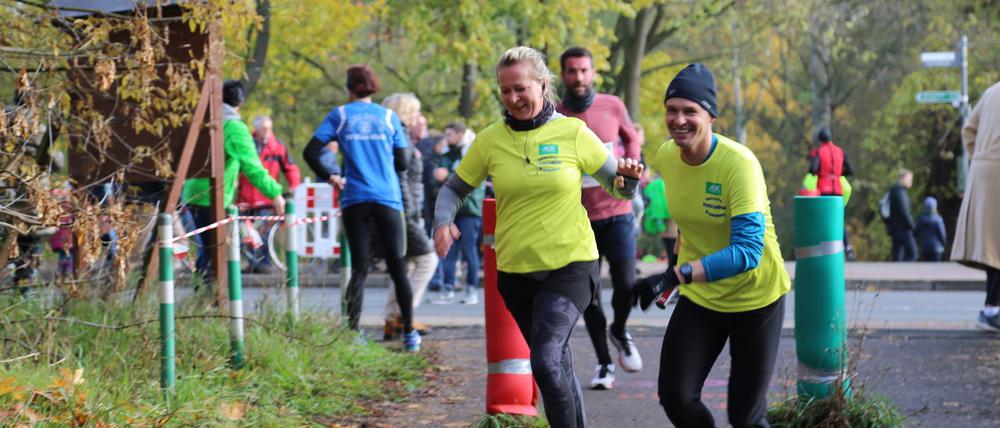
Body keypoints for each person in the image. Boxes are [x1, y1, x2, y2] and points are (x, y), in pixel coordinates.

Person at [434, 46, 642, 428]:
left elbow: (619, 188)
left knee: (545, 361)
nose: (513, 98)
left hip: (571, 266)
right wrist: (442, 222)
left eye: (521, 89)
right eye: (505, 90)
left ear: (543, 85)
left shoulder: (572, 131)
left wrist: (628, 180)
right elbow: (453, 188)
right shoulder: (490, 140)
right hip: (515, 274)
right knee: (556, 363)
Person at [633, 63, 790, 427]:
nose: (679, 120)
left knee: (746, 418)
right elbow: (687, 221)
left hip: (756, 298)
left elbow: (748, 252)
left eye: (691, 111)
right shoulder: (667, 156)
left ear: (711, 116)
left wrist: (676, 275)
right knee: (675, 396)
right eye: (672, 110)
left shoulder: (739, 165)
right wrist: (673, 272)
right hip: (702, 297)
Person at [301, 65, 421, 351]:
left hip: (354, 198)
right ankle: (409, 335)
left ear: (349, 88)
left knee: (359, 269)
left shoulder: (340, 115)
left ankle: (354, 333)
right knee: (398, 268)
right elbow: (403, 162)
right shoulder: (389, 117)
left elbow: (310, 152)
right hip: (387, 199)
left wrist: (331, 176)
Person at [556, 47, 645, 389]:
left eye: (583, 71)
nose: (578, 77)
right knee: (588, 295)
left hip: (617, 211)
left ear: (593, 73)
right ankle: (604, 364)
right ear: (563, 75)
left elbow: (632, 136)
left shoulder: (612, 104)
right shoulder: (556, 115)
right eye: (572, 71)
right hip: (578, 218)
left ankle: (619, 330)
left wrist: (632, 166)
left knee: (625, 284)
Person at [182, 80, 286, 278]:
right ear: (241, 102)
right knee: (215, 251)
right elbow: (253, 168)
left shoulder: (204, 120)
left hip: (191, 190)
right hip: (210, 195)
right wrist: (275, 193)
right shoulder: (234, 127)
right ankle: (207, 297)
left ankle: (207, 296)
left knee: (209, 248)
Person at [380, 93, 438, 340]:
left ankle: (392, 318)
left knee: (406, 265)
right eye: (415, 112)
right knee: (427, 260)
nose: (419, 117)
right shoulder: (399, 137)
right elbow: (403, 181)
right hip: (406, 212)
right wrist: (411, 214)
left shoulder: (399, 137)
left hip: (403, 210)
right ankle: (402, 315)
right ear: (404, 113)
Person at [951, 80, 1000, 332]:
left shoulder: (992, 91)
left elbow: (968, 130)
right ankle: (992, 311)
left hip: (983, 173)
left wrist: (981, 157)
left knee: (992, 248)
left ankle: (991, 307)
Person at [238, 115, 302, 273]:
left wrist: (295, 186)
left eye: (269, 129)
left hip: (266, 199)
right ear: (256, 129)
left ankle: (264, 264)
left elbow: (290, 168)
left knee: (264, 233)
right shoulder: (247, 144)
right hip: (245, 199)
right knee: (246, 233)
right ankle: (252, 262)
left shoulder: (278, 147)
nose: (267, 132)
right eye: (264, 129)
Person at [430, 122, 485, 304]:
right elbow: (440, 180)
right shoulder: (447, 153)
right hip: (451, 211)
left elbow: (469, 180)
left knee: (470, 251)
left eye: (450, 134)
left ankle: (471, 289)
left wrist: (446, 176)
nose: (446, 138)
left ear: (461, 134)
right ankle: (448, 288)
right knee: (448, 250)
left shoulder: (473, 151)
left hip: (470, 209)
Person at [808, 128, 856, 259]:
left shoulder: (819, 151)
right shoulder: (840, 151)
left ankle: (826, 251)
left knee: (824, 221)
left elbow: (812, 169)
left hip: (825, 191)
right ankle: (848, 249)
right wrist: (838, 174)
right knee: (839, 221)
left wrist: (819, 173)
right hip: (838, 191)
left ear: (820, 139)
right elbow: (851, 170)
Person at [886, 169, 916, 262]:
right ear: (902, 179)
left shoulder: (895, 190)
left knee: (897, 255)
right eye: (909, 179)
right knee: (912, 253)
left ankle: (895, 274)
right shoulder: (900, 192)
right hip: (903, 229)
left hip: (895, 227)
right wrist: (912, 226)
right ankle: (905, 274)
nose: (911, 181)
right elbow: (904, 212)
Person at [915, 196, 947, 262]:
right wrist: (944, 243)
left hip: (924, 248)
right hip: (936, 248)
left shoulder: (920, 219)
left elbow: (915, 233)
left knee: (926, 269)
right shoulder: (938, 219)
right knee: (935, 269)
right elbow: (942, 235)